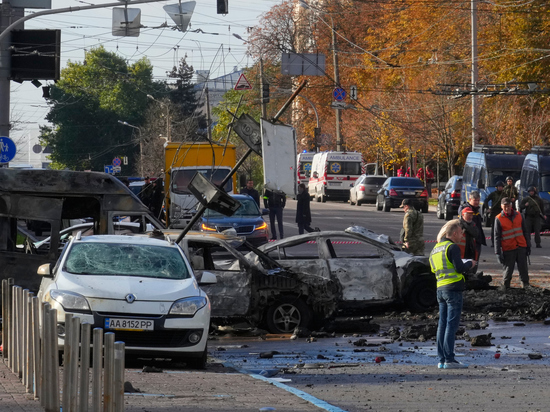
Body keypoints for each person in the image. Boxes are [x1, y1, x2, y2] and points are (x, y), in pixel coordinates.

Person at [429, 219, 476, 369]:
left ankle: (442, 359)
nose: (462, 236)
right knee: (451, 324)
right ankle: (449, 359)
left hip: (440, 289)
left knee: (442, 324)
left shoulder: (435, 249)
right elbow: (459, 268)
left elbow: (433, 269)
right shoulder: (452, 247)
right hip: (453, 289)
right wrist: (470, 263)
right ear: (454, 233)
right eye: (461, 233)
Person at [494, 197, 531, 291]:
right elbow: (496, 237)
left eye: (509, 205)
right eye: (505, 206)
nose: (507, 208)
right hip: (508, 248)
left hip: (521, 246)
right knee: (507, 270)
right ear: (501, 206)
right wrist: (497, 252)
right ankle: (505, 287)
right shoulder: (498, 218)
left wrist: (528, 245)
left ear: (512, 205)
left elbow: (525, 231)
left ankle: (525, 285)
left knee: (523, 269)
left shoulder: (519, 215)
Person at [458, 190, 486, 261]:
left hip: (477, 240)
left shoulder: (477, 209)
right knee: (468, 262)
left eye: (478, 200)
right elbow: (463, 223)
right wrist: (475, 233)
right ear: (470, 199)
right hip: (468, 241)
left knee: (475, 261)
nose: (477, 202)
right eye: (475, 200)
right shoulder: (464, 208)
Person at [485, 180, 505, 247]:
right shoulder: (493, 194)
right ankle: (494, 243)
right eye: (499, 187)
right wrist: (487, 208)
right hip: (494, 212)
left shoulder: (504, 194)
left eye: (501, 187)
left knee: (503, 228)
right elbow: (486, 200)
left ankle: (502, 242)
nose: (500, 188)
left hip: (502, 212)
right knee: (494, 228)